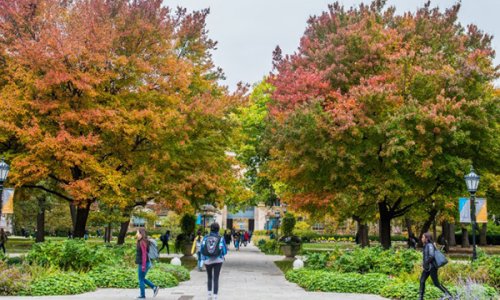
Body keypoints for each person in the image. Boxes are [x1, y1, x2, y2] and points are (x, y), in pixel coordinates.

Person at [419, 232, 452, 300]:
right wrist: (424, 264)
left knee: (436, 283)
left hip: (432, 267)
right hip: (427, 267)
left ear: (426, 238)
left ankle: (449, 295)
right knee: (422, 281)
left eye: (423, 237)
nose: (421, 238)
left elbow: (431, 256)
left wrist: (425, 263)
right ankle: (420, 298)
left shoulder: (430, 245)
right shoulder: (426, 245)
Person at [201, 222, 227, 300]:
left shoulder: (205, 237)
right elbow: (224, 250)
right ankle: (215, 296)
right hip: (218, 260)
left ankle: (209, 295)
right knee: (216, 278)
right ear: (218, 229)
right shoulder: (221, 237)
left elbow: (202, 249)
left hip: (207, 260)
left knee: (209, 277)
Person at [135, 228, 159, 299]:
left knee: (141, 279)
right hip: (144, 263)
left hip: (144, 263)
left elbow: (144, 254)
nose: (137, 234)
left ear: (141, 234)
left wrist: (143, 265)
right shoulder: (141, 241)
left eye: (138, 233)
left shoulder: (142, 242)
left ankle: (143, 295)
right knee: (141, 278)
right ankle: (154, 287)